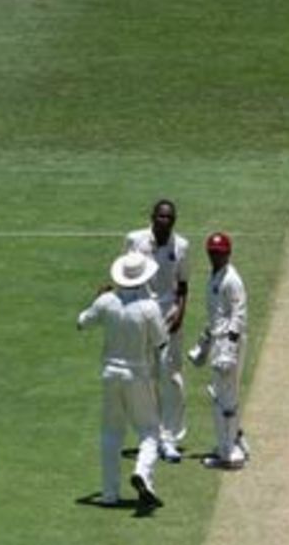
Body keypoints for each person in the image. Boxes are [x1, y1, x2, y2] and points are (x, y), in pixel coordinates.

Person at [76, 251, 169, 514]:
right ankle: (141, 473)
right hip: (137, 374)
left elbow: (81, 322)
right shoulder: (149, 307)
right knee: (149, 431)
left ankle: (109, 493)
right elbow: (160, 342)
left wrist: (99, 301)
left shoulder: (107, 301)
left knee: (111, 433)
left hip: (110, 375)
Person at [124, 199, 190, 463]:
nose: (165, 221)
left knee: (171, 378)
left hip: (169, 318)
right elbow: (125, 277)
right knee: (145, 378)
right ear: (152, 217)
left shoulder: (182, 246)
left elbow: (183, 285)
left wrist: (181, 314)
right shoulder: (135, 240)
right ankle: (151, 436)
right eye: (161, 217)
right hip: (142, 316)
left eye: (169, 218)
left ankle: (170, 438)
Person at [187, 232, 249, 469]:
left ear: (228, 253)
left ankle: (228, 452)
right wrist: (204, 341)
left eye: (220, 253)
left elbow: (238, 315)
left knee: (225, 397)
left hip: (228, 343)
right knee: (220, 395)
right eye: (212, 253)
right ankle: (234, 442)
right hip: (219, 340)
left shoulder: (232, 279)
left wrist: (229, 350)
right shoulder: (214, 277)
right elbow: (217, 316)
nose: (215, 256)